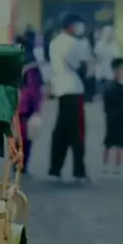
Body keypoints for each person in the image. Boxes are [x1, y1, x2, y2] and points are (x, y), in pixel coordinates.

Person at [48, 14, 89, 182]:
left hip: (60, 88)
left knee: (61, 132)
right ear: (71, 26)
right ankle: (79, 171)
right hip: (73, 88)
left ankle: (55, 169)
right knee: (78, 132)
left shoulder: (55, 42)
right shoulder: (72, 43)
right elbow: (79, 63)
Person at [16, 35, 43, 174]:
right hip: (26, 105)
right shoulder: (31, 64)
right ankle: (22, 163)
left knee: (17, 135)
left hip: (16, 104)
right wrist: (37, 108)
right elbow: (34, 89)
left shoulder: (15, 60)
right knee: (25, 137)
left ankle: (17, 162)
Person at [102, 57, 123, 177]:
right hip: (112, 117)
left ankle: (117, 165)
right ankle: (106, 165)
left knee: (120, 143)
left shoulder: (122, 85)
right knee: (109, 142)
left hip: (121, 117)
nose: (121, 71)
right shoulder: (111, 85)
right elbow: (107, 103)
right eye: (119, 69)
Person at [95, 25, 121, 93]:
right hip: (101, 74)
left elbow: (117, 60)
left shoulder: (114, 46)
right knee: (101, 92)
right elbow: (97, 58)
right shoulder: (99, 45)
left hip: (110, 75)